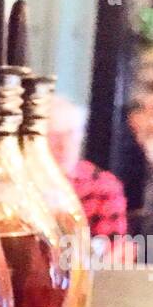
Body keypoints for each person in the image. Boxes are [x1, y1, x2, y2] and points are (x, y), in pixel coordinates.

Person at [48, 94, 127, 239]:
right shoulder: (16, 185)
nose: (64, 146)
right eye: (53, 136)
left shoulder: (102, 186)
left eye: (71, 134)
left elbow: (112, 252)